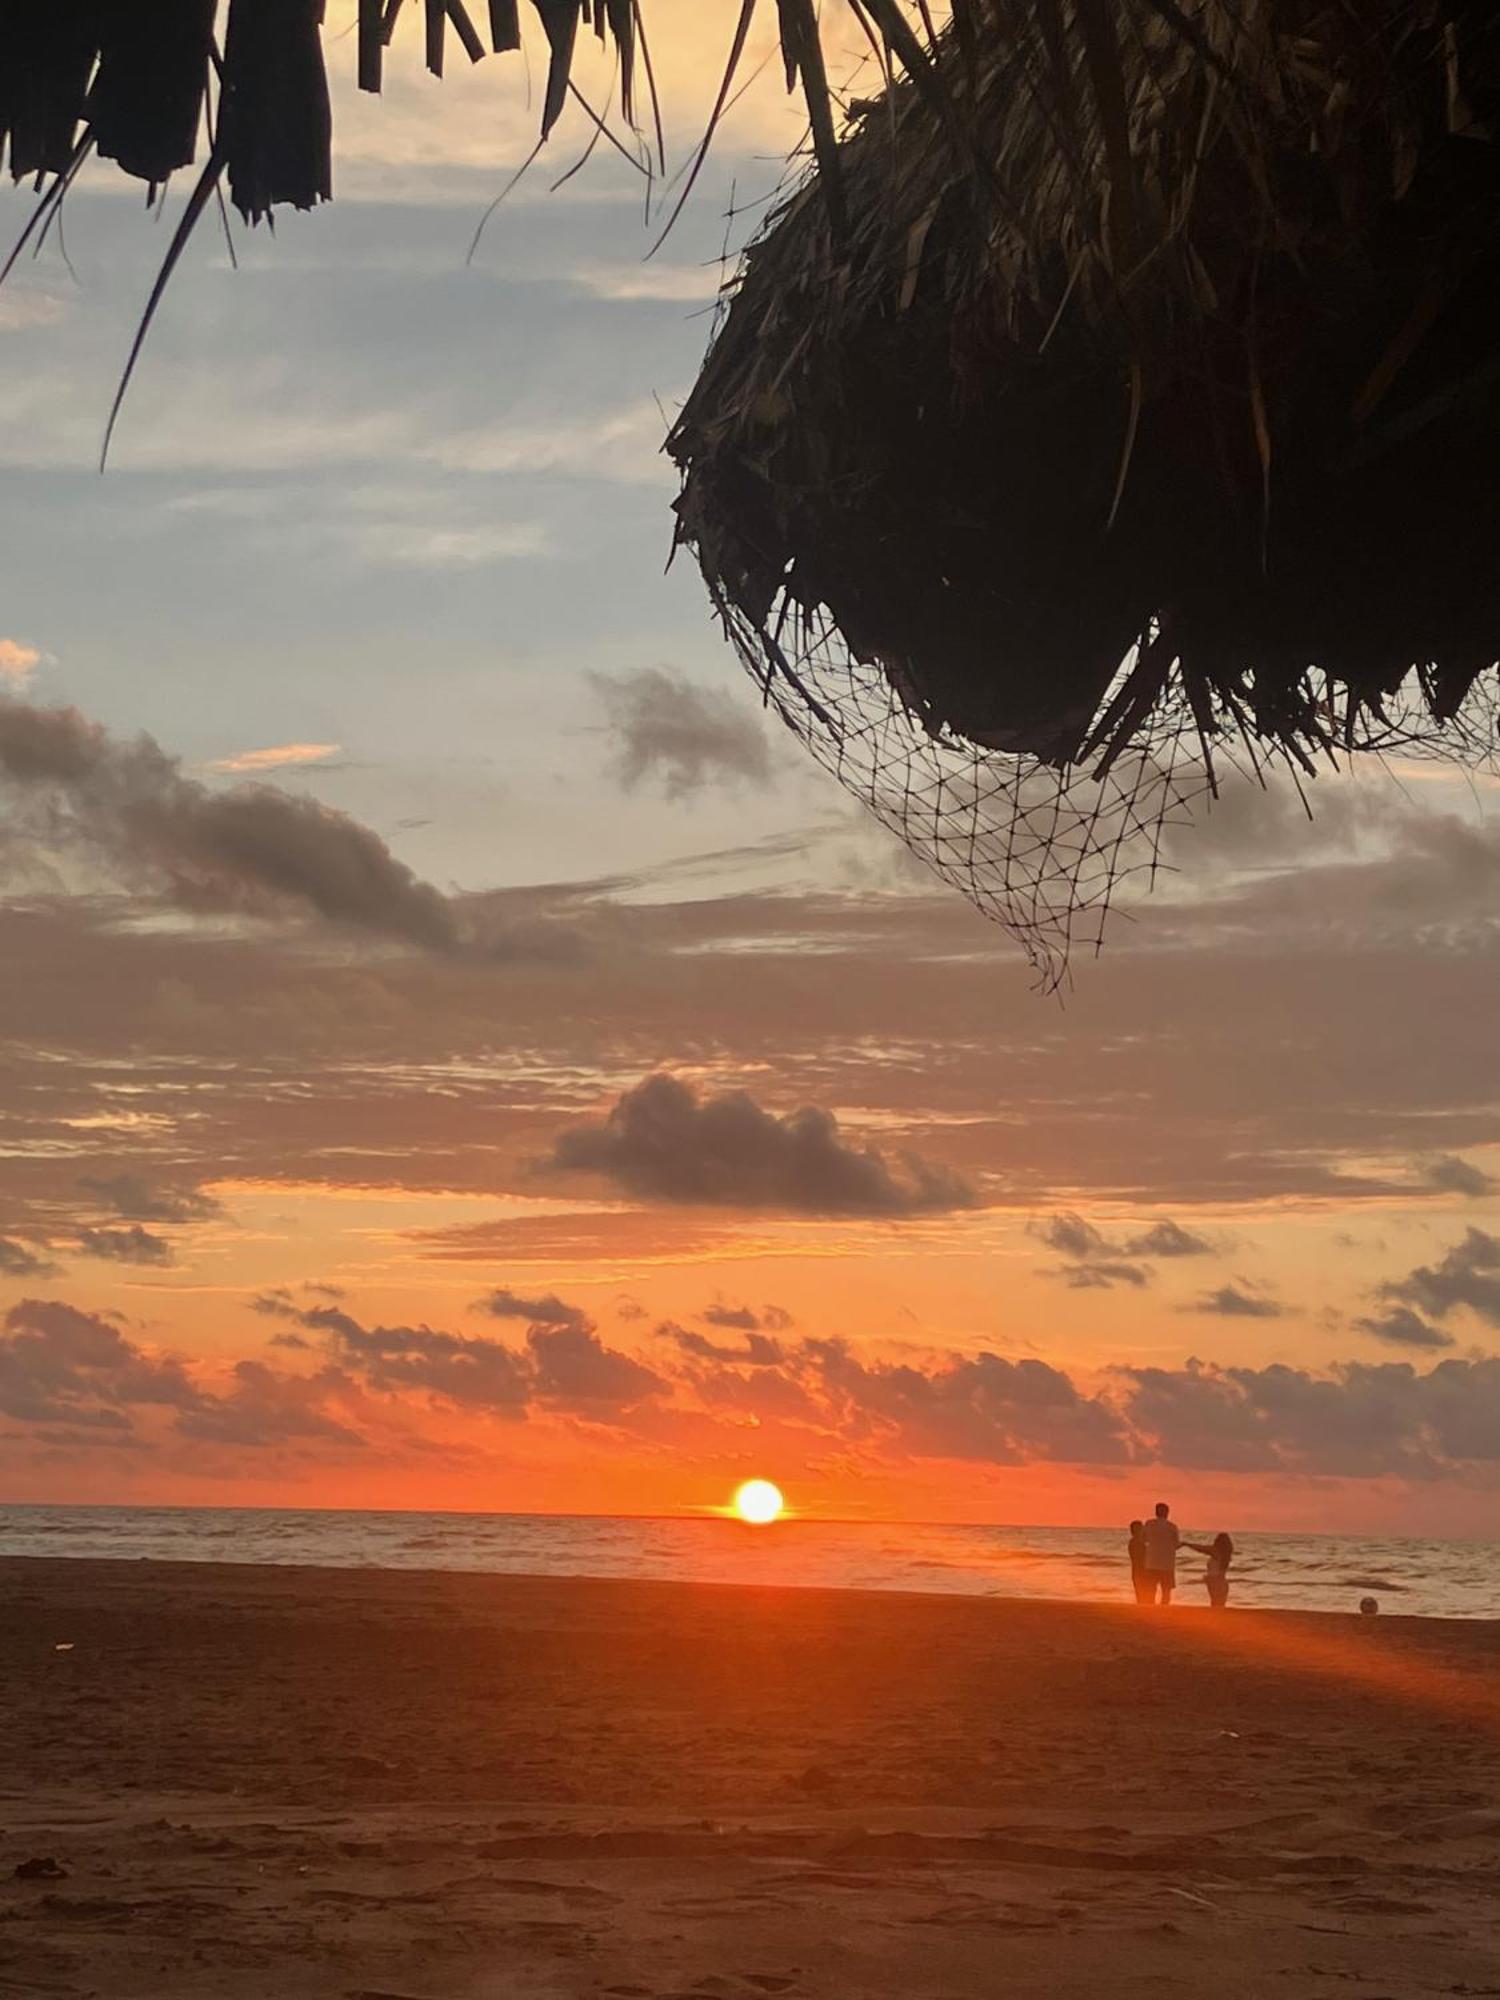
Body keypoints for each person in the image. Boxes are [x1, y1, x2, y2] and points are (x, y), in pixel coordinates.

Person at [1140, 1501, 1180, 1605]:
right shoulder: (1172, 1527)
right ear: (1167, 1513)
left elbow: (1143, 1540)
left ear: (1156, 1512)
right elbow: (1176, 1545)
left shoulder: (1149, 1524)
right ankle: (1164, 1609)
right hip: (1167, 1564)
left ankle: (1151, 1609)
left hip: (1151, 1562)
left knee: (1151, 1589)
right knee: (1166, 1591)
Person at [1187, 1532, 1234, 1608]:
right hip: (1221, 1581)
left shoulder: (1216, 1551)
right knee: (1220, 1605)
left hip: (1215, 1581)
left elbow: (1201, 1548)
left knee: (1215, 1604)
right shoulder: (1226, 1554)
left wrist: (1187, 1544)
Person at [1127, 1519, 1151, 1605]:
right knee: (1143, 1594)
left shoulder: (1134, 1541)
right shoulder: (1136, 1542)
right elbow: (1141, 1557)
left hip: (1137, 1571)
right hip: (1141, 1571)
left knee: (1141, 1595)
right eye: (1141, 1528)